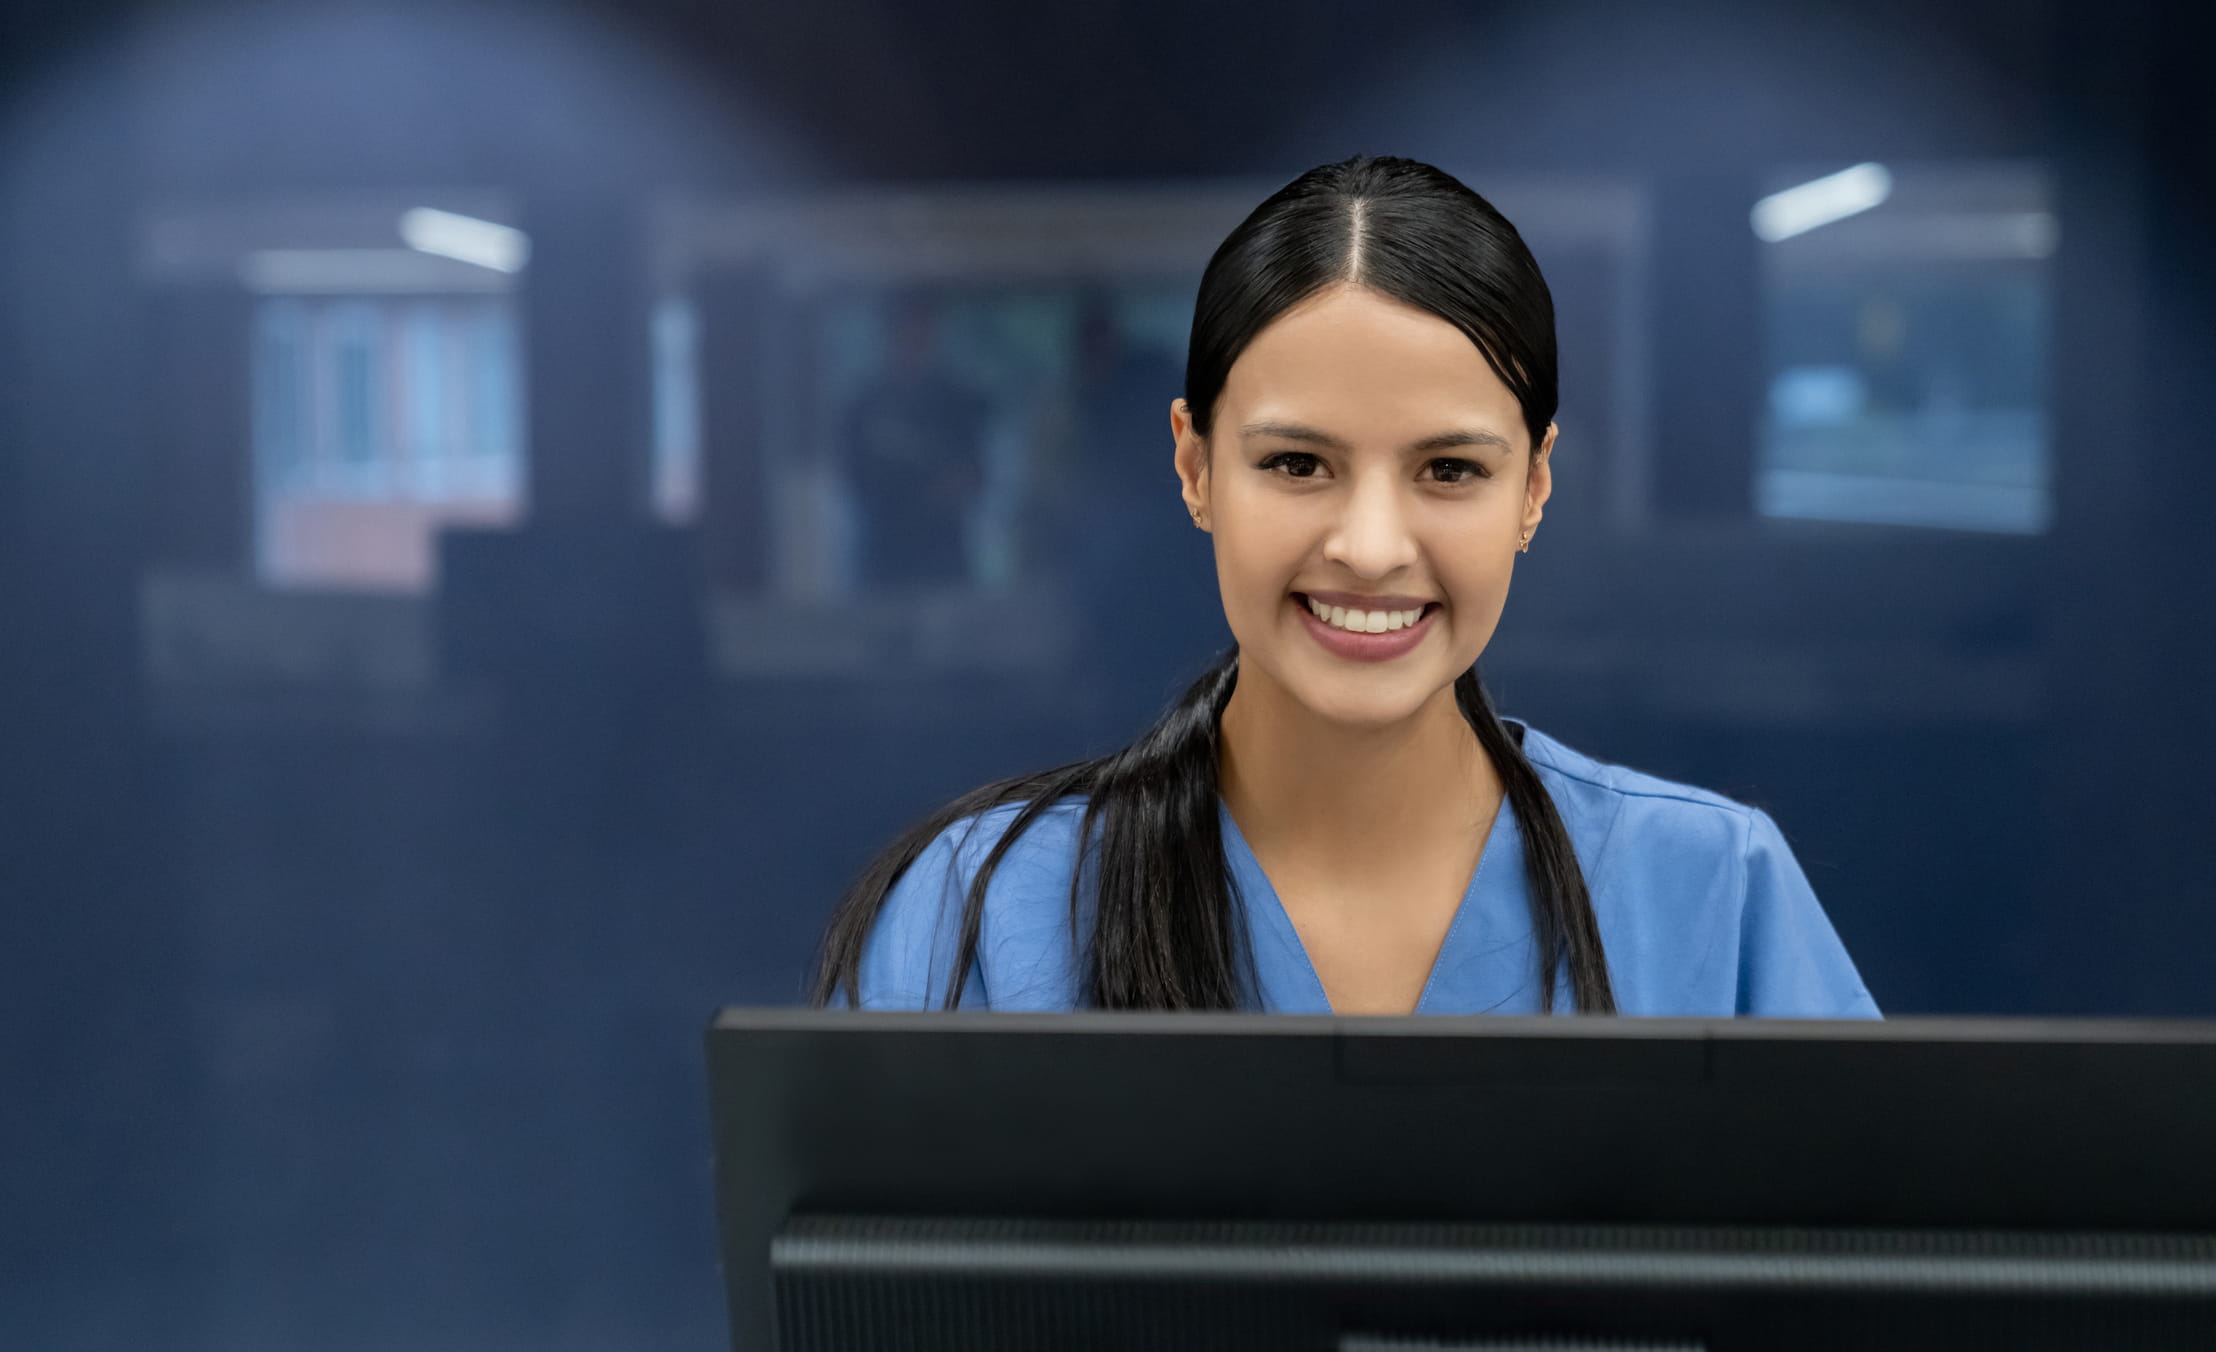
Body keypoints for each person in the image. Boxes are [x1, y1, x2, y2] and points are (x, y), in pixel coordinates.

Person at [811, 156, 1878, 1018]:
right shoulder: (982, 915)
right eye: (1295, 464)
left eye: (1449, 470)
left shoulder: (1709, 891)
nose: (1369, 547)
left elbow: (1858, 1274)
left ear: (1532, 488)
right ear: (1193, 469)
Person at [842, 293, 989, 586]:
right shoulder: (863, 407)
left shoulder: (955, 403)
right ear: (890, 334)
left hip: (944, 560)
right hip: (885, 561)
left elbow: (976, 475)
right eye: (907, 329)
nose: (915, 341)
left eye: (923, 329)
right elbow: (853, 478)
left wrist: (949, 488)